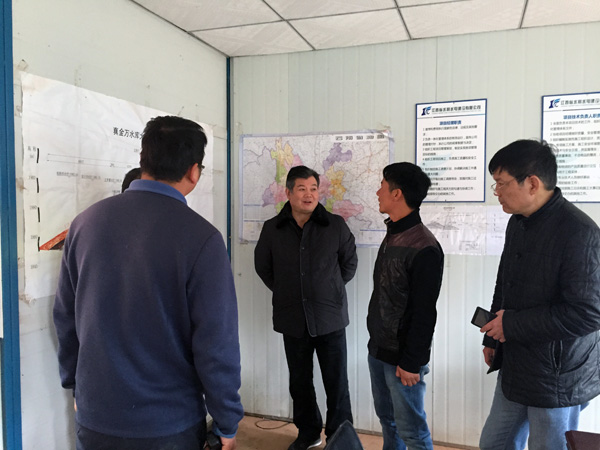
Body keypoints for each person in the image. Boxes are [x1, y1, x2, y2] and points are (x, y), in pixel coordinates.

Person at [53, 116, 243, 450]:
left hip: (96, 417)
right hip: (168, 425)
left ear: (144, 160)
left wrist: (75, 387)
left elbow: (66, 318)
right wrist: (226, 420)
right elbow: (216, 344)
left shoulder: (84, 224)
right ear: (194, 172)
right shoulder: (203, 238)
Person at [479, 139, 600, 450]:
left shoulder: (580, 232)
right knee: (493, 443)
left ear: (532, 183)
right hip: (516, 362)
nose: (497, 192)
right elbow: (504, 283)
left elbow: (588, 313)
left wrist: (510, 325)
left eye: (502, 183)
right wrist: (493, 336)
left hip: (558, 376)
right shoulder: (518, 222)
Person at [254, 165, 358, 450]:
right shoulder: (273, 229)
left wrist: (328, 289)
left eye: (313, 188)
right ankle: (309, 432)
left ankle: (339, 438)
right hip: (292, 318)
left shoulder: (335, 225)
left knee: (337, 383)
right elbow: (264, 267)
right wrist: (290, 291)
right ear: (288, 193)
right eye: (302, 189)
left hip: (329, 318)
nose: (309, 194)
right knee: (300, 382)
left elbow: (349, 263)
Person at [366, 162, 444, 450]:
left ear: (396, 193)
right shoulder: (394, 233)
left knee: (412, 431)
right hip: (379, 349)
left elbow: (425, 313)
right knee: (388, 420)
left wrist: (412, 361)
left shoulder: (424, 247)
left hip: (403, 359)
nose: (378, 192)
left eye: (382, 187)